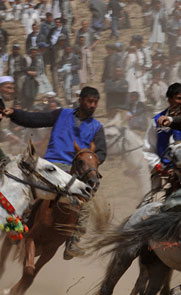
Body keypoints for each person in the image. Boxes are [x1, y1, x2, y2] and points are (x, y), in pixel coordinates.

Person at [4, 87, 106, 258]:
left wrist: (88, 160)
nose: (93, 105)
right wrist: (14, 113)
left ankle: (73, 241)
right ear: (80, 100)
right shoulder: (62, 114)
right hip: (51, 164)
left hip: (77, 171)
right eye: (89, 101)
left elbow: (102, 152)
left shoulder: (97, 127)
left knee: (84, 203)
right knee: (30, 191)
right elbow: (35, 119)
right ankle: (16, 223)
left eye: (95, 102)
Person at [143, 83, 181, 192]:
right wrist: (158, 166)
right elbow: (149, 148)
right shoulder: (156, 121)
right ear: (169, 100)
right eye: (178, 98)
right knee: (155, 202)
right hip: (164, 174)